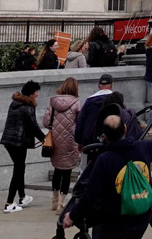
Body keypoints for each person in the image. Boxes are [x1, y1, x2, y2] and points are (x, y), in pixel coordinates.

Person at [62, 108, 152, 239]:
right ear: (125, 129)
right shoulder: (143, 147)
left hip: (114, 221)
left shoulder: (104, 160)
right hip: (141, 216)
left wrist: (72, 215)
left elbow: (90, 195)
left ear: (106, 136)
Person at [0, 80, 44, 213]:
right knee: (18, 170)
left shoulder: (15, 103)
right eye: (36, 92)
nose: (37, 95)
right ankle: (9, 203)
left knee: (20, 167)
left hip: (9, 141)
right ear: (31, 94)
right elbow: (33, 126)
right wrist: (44, 139)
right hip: (19, 142)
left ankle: (22, 197)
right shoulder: (28, 106)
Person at [46, 77, 83, 213]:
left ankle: (54, 201)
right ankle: (62, 203)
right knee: (66, 172)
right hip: (70, 141)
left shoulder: (53, 102)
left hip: (55, 141)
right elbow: (80, 123)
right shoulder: (77, 103)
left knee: (57, 170)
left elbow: (46, 121)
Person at [75, 74, 122, 149]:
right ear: (111, 85)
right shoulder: (117, 100)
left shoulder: (89, 101)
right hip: (112, 139)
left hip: (91, 139)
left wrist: (79, 140)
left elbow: (81, 120)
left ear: (99, 86)